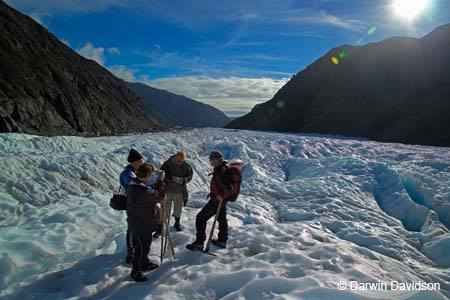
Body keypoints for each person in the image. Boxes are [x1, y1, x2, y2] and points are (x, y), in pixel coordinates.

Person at [186, 151, 238, 251]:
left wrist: (221, 196)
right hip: (221, 200)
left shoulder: (221, 172)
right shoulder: (222, 169)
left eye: (212, 159)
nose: (210, 161)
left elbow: (229, 188)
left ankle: (199, 243)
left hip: (217, 201)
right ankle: (222, 240)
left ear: (218, 160)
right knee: (222, 219)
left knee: (200, 218)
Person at [126, 163, 166, 282]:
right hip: (140, 224)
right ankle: (136, 270)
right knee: (140, 248)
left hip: (142, 222)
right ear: (146, 175)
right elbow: (159, 196)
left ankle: (144, 263)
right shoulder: (141, 191)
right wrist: (161, 182)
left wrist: (157, 183)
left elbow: (151, 191)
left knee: (145, 246)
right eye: (150, 175)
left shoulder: (134, 184)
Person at [119, 149, 144, 263]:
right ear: (133, 162)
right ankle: (130, 251)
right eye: (139, 161)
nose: (141, 163)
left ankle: (136, 248)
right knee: (132, 227)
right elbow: (138, 185)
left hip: (138, 203)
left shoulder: (135, 172)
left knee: (137, 226)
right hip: (131, 204)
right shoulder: (127, 174)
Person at [159, 151, 193, 232]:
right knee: (164, 209)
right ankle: (159, 227)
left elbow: (190, 174)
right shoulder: (167, 164)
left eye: (182, 161)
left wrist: (183, 180)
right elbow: (161, 175)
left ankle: (177, 223)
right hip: (168, 190)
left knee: (178, 208)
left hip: (179, 190)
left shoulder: (185, 165)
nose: (180, 163)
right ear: (175, 157)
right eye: (179, 161)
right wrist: (171, 178)